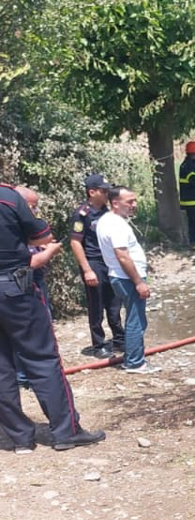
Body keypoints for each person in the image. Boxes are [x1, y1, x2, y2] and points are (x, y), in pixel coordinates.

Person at [0, 181, 105, 452]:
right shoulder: (8, 197)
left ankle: (19, 438)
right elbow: (41, 236)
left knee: (1, 368)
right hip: (15, 290)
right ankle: (65, 430)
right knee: (42, 359)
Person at [96, 186, 160, 374]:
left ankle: (133, 358)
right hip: (127, 278)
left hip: (119, 276)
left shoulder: (106, 220)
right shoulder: (116, 225)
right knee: (136, 320)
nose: (134, 205)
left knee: (134, 318)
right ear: (115, 203)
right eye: (129, 202)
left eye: (135, 200)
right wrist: (139, 282)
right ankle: (135, 362)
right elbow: (123, 256)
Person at [11, 186, 62, 388]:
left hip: (34, 280)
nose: (35, 212)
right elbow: (27, 264)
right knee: (30, 328)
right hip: (25, 281)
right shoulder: (12, 228)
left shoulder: (25, 227)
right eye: (32, 207)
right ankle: (27, 376)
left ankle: (27, 374)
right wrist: (49, 251)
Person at [69, 173, 125, 358]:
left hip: (110, 261)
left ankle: (119, 338)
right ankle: (99, 343)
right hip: (93, 263)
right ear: (92, 192)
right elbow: (75, 242)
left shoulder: (108, 213)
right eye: (103, 190)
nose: (107, 193)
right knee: (96, 304)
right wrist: (87, 270)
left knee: (115, 303)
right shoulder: (82, 214)